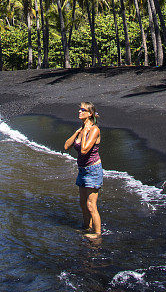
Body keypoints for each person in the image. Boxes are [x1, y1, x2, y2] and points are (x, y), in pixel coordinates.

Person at [64, 102, 103, 238]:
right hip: (82, 170)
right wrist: (77, 133)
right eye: (79, 109)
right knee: (82, 204)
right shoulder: (81, 129)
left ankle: (97, 235)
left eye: (82, 110)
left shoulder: (94, 129)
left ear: (90, 113)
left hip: (93, 170)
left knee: (91, 205)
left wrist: (85, 132)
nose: (79, 111)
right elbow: (66, 146)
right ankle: (87, 228)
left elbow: (85, 150)